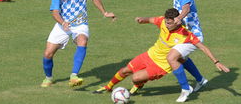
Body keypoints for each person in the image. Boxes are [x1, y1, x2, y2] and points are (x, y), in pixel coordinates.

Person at [93, 8, 229, 103]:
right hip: (149, 54)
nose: (167, 25)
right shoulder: (163, 21)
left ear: (177, 21)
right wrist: (142, 20)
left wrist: (216, 62)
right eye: (166, 22)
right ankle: (108, 87)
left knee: (135, 78)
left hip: (161, 65)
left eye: (170, 23)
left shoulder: (185, 34)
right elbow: (151, 19)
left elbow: (203, 47)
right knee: (125, 70)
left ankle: (140, 84)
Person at [41, 0, 116, 88]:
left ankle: (74, 76)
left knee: (82, 41)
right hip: (63, 24)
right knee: (48, 54)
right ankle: (49, 78)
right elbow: (55, 11)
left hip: (80, 23)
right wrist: (63, 22)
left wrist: (104, 12)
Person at [165, 0, 208, 94]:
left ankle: (185, 89)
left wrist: (179, 18)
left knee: (172, 58)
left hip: (193, 35)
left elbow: (186, 8)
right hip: (185, 35)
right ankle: (200, 80)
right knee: (180, 58)